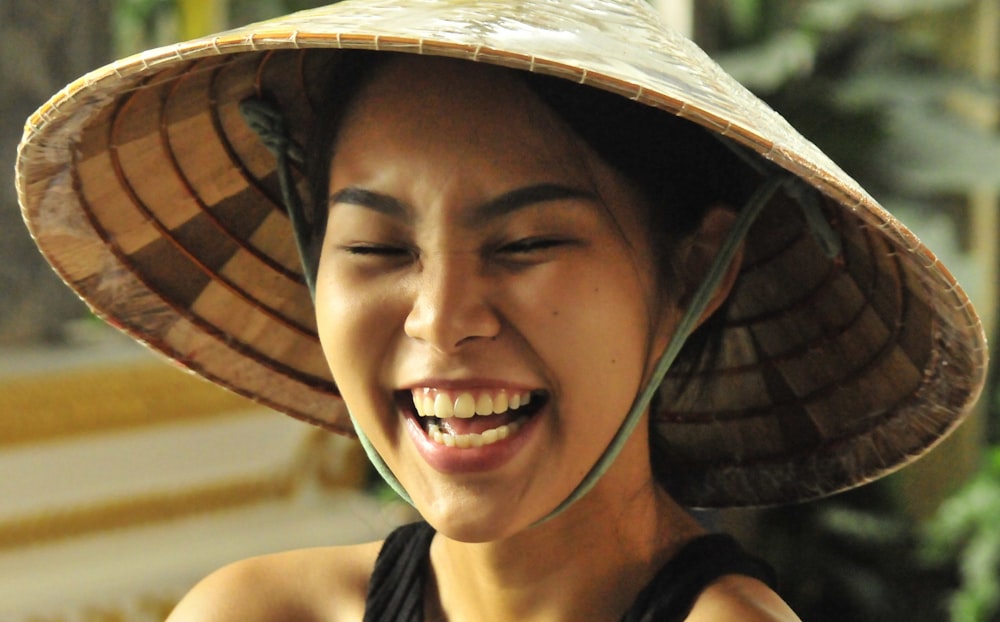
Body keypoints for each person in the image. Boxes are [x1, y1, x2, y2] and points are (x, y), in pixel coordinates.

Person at [14, 1, 987, 621]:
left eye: (525, 245)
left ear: (694, 273)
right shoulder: (252, 614)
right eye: (378, 249)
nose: (440, 319)